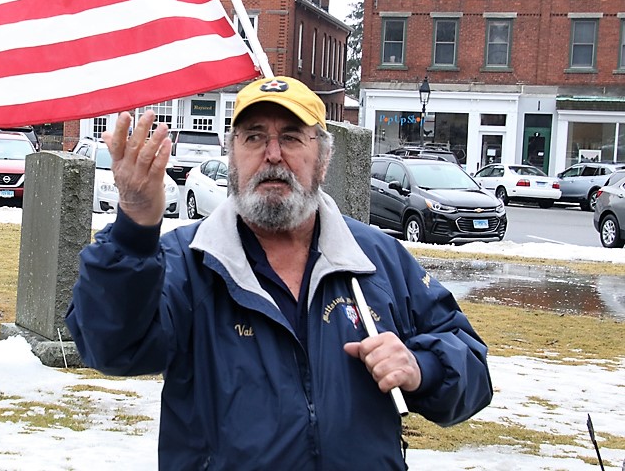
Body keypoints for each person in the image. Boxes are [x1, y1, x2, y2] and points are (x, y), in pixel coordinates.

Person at [66, 76, 493, 469]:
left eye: (291, 137)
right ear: (232, 155)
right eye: (254, 138)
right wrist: (133, 231)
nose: (273, 155)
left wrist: (423, 368)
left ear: (322, 159)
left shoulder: (375, 258)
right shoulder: (187, 262)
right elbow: (111, 346)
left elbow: (472, 367)